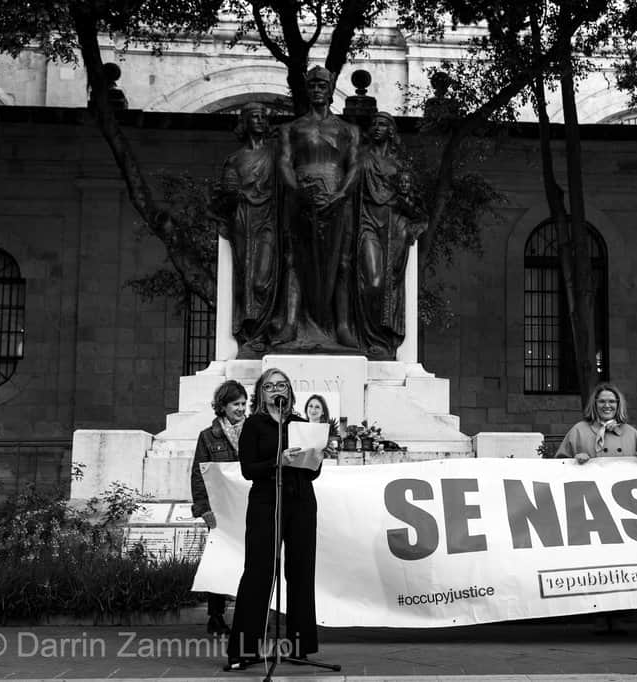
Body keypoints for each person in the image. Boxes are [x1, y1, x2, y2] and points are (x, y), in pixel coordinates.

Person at [224, 368, 321, 671]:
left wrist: (315, 459)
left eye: (282, 385)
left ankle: (299, 646)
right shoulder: (254, 425)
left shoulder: (300, 423)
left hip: (301, 500)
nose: (276, 390)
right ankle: (244, 650)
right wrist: (279, 461)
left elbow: (312, 473)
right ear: (261, 393)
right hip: (267, 502)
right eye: (270, 386)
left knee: (301, 571)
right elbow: (248, 469)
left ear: (289, 391)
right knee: (259, 571)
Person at [277, 66, 361, 350]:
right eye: (312, 85)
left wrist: (339, 196)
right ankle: (291, 324)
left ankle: (342, 326)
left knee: (343, 262)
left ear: (331, 87)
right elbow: (285, 163)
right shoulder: (291, 128)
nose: (316, 89)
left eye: (322, 85)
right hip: (301, 198)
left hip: (337, 199)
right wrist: (298, 192)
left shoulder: (348, 130)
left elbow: (355, 166)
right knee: (294, 260)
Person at [354, 111, 425, 358]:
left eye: (382, 124)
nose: (377, 127)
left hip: (393, 227)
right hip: (367, 223)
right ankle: (367, 337)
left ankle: (381, 341)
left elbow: (414, 203)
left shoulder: (399, 166)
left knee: (388, 283)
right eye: (374, 123)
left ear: (391, 131)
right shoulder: (360, 158)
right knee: (373, 282)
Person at [214, 102, 281, 356]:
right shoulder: (234, 160)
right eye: (255, 116)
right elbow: (226, 197)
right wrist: (231, 193)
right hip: (243, 220)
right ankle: (251, 334)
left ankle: (267, 329)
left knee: (263, 278)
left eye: (263, 116)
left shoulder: (276, 154)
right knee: (246, 275)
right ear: (245, 122)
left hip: (269, 220)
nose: (260, 120)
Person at [190, 380, 248, 636]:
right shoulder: (207, 436)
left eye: (244, 403)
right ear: (223, 406)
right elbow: (198, 475)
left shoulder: (254, 432)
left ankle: (250, 616)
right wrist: (203, 509)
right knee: (220, 562)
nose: (241, 408)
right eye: (236, 404)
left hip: (248, 507)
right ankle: (215, 616)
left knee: (251, 563)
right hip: (220, 511)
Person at [556, 383, 637, 463]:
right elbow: (560, 464)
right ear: (595, 404)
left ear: (618, 405)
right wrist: (574, 461)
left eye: (612, 401)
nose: (607, 405)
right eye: (602, 401)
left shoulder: (632, 433)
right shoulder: (578, 431)